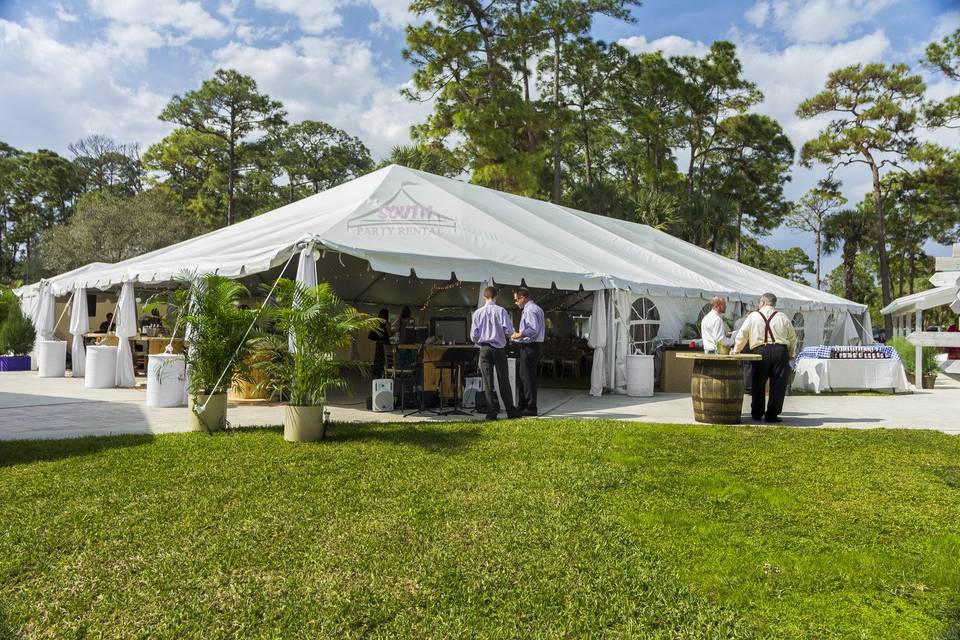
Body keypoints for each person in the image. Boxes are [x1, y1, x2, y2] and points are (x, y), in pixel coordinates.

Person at [732, 292, 797, 423]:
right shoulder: (783, 317)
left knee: (758, 383)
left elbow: (742, 334)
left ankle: (757, 413)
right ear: (773, 303)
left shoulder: (753, 316)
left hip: (760, 350)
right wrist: (791, 354)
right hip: (780, 351)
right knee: (778, 384)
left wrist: (736, 350)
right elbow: (792, 338)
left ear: (762, 302)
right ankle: (772, 415)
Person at [471, 286, 520, 420]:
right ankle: (511, 411)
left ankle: (491, 412)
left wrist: (481, 341)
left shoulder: (478, 313)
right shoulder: (501, 311)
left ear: (483, 297)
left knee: (487, 381)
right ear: (496, 296)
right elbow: (509, 331)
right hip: (498, 348)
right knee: (503, 379)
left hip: (484, 348)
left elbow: (473, 335)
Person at [511, 288, 545, 416]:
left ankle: (530, 407)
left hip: (531, 346)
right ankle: (523, 405)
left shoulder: (530, 309)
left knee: (527, 378)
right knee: (523, 376)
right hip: (533, 346)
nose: (515, 303)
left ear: (522, 298)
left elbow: (532, 329)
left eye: (516, 300)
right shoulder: (536, 308)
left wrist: (518, 334)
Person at [369, 308, 391, 378]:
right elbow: (389, 334)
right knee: (386, 359)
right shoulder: (387, 323)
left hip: (378, 343)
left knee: (378, 360)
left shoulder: (377, 322)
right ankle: (384, 373)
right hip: (385, 343)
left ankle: (376, 374)